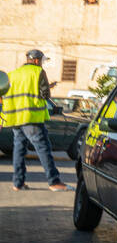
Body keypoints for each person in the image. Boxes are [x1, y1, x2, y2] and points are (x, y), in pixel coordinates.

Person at [2, 49, 68, 191]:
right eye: (42, 61)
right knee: (43, 148)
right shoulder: (38, 72)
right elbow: (45, 95)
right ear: (37, 60)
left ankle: (18, 183)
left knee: (19, 150)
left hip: (15, 119)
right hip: (31, 118)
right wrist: (47, 88)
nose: (42, 64)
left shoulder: (12, 75)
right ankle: (54, 181)